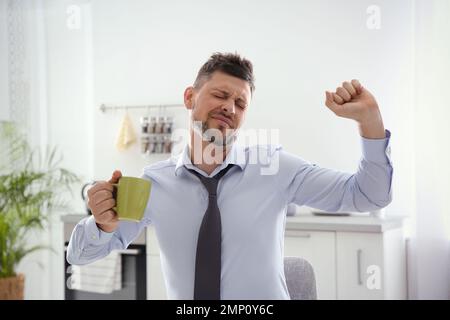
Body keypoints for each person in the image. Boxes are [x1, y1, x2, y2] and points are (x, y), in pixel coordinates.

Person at [66, 52, 393, 299]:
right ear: (190, 98)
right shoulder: (154, 184)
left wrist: (371, 121)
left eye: (240, 103)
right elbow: (80, 254)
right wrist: (101, 224)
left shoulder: (274, 168)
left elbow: (369, 195)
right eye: (221, 96)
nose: (230, 108)